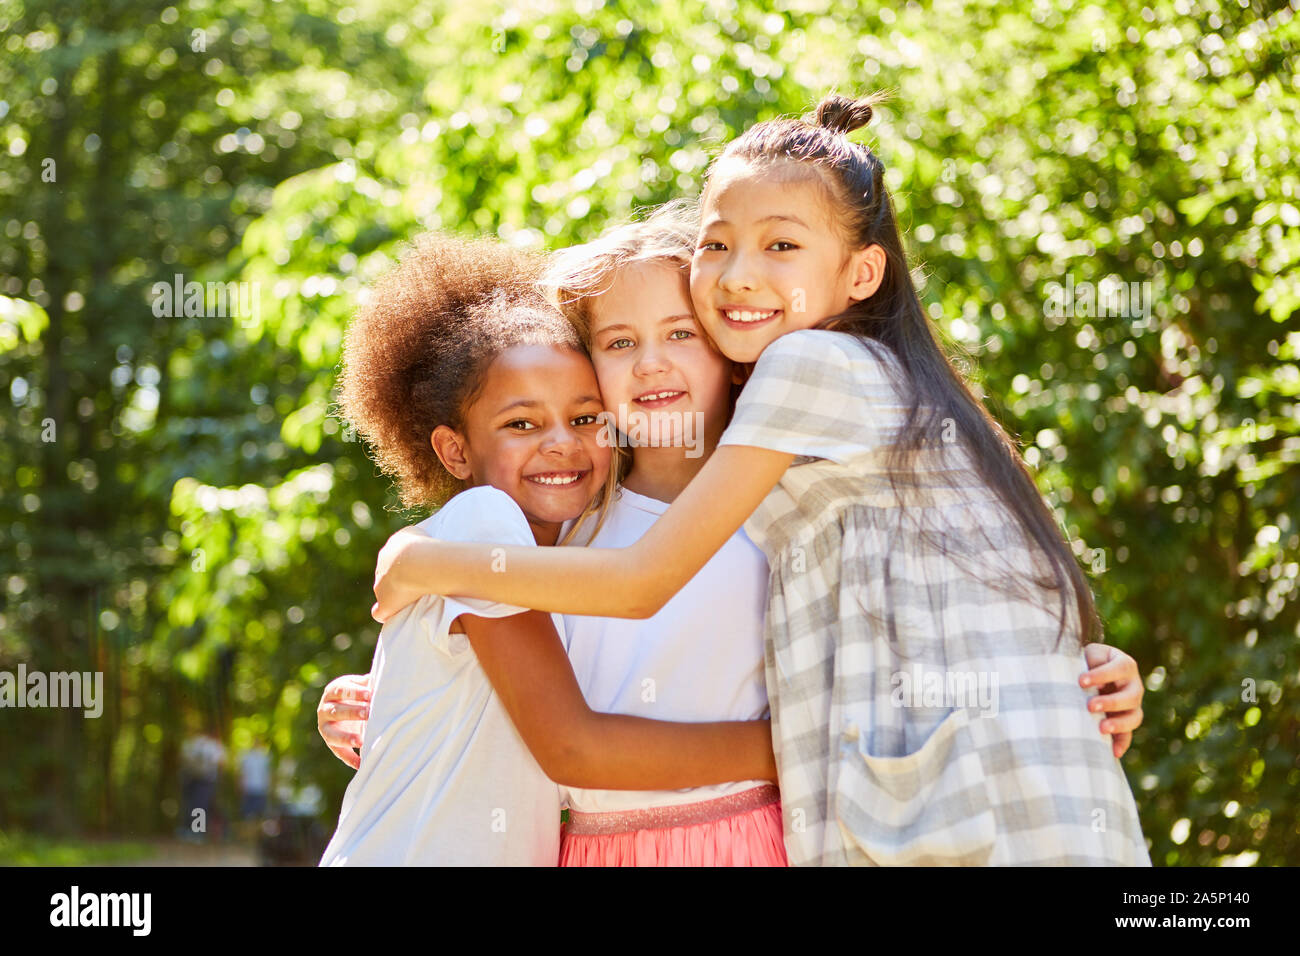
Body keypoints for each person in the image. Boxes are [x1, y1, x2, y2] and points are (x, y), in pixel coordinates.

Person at [367, 95, 1152, 866]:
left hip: (876, 818)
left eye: (681, 332)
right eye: (616, 343)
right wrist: (377, 702)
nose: (741, 279)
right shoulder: (585, 516)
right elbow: (519, 687)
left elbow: (650, 586)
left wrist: (424, 562)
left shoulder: (791, 453)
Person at [319, 233, 776, 866]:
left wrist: (416, 562)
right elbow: (570, 741)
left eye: (583, 417)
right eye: (522, 423)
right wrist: (789, 746)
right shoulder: (526, 526)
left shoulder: (570, 536)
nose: (561, 443)